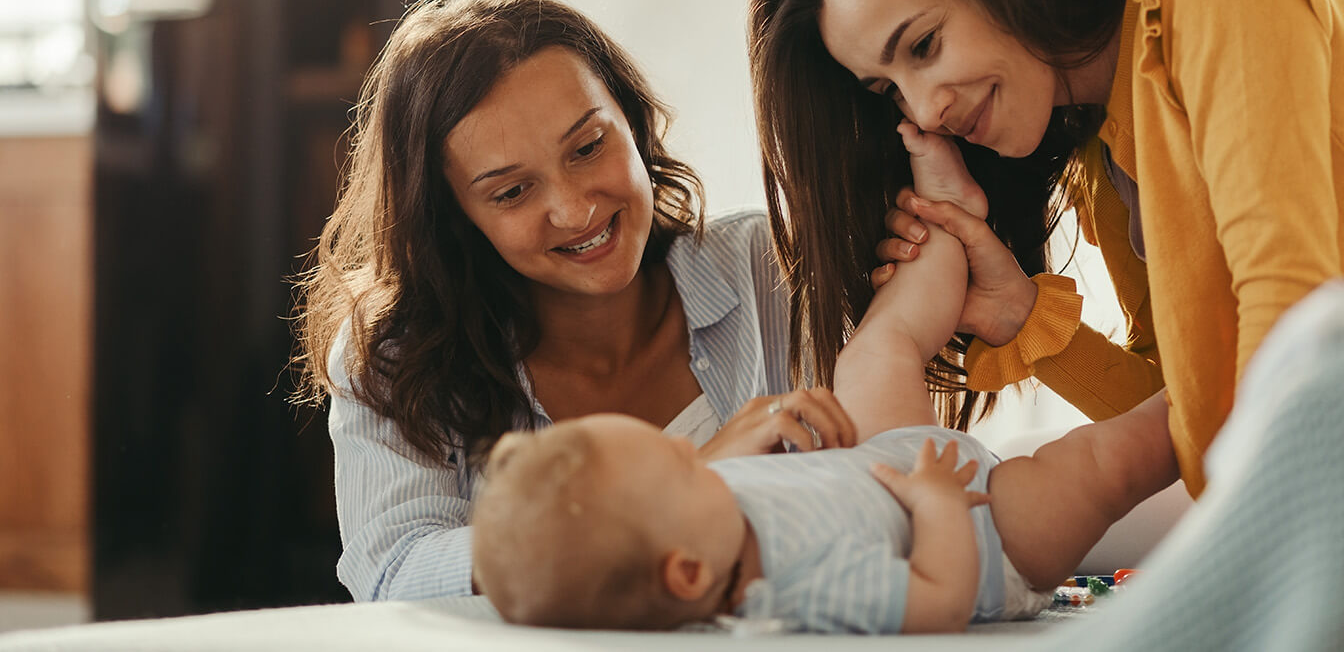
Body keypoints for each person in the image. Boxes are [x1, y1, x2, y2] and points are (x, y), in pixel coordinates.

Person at [471, 127, 1178, 633]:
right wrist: (936, 506)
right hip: (982, 526)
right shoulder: (798, 588)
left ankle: (948, 215)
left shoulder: (698, 517)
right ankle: (1220, 391)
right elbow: (938, 602)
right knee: (1101, 462)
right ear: (689, 573)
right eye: (687, 470)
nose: (705, 459)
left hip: (882, 459)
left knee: (874, 353)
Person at [289, 0, 856, 602]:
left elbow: (888, 487)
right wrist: (690, 481)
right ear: (456, 217)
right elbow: (396, 576)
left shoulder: (770, 267)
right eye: (511, 192)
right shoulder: (400, 353)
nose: (575, 209)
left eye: (588, 148)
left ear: (632, 122)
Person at [748, 0, 1344, 496]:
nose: (926, 110)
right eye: (890, 92)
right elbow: (1197, 424)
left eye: (925, 44)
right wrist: (1018, 312)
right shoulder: (1103, 155)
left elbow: (1294, 316)